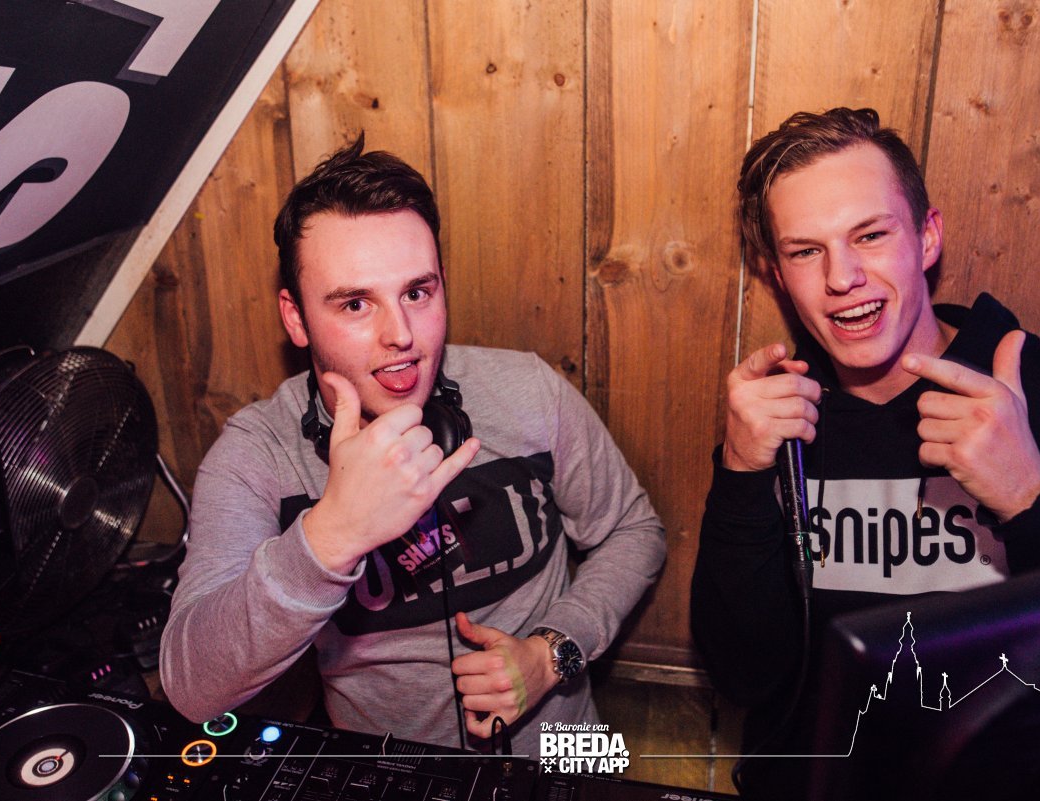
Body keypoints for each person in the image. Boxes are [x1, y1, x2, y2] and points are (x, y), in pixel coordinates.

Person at [689, 107, 1040, 797]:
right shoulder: (776, 422)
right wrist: (742, 475)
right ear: (775, 274)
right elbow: (744, 676)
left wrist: (1032, 499)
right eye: (806, 251)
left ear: (927, 237)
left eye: (870, 234)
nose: (842, 277)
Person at [160, 136, 666, 756]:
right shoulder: (255, 457)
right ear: (295, 318)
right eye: (355, 303)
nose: (400, 334)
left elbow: (634, 530)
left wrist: (553, 651)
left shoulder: (529, 389)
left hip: (572, 744)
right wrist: (332, 536)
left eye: (417, 293)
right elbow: (192, 688)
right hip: (392, 774)